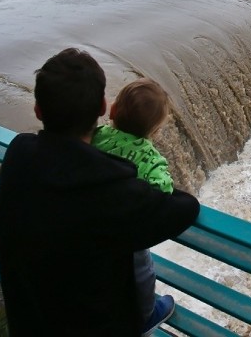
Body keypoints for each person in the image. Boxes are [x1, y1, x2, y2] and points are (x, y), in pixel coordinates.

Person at [0, 48, 200, 336]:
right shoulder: (113, 190)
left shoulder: (19, 153)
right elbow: (185, 207)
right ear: (103, 107)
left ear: (38, 110)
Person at [92, 78, 175, 333]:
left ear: (113, 111)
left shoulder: (98, 135)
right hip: (127, 232)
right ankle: (147, 314)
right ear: (154, 131)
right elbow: (165, 190)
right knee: (143, 272)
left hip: (94, 225)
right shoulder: (149, 157)